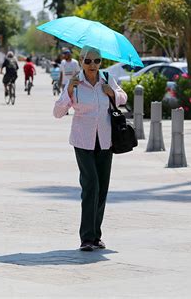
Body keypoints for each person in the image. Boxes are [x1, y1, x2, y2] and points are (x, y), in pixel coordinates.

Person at [53, 46, 127, 252]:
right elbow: (57, 112)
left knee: (102, 188)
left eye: (97, 61)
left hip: (105, 140)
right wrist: (68, 92)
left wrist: (112, 92)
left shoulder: (107, 78)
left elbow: (123, 98)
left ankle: (96, 235)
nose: (93, 65)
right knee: (91, 184)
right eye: (88, 61)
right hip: (83, 141)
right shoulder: (74, 83)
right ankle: (86, 237)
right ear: (81, 61)